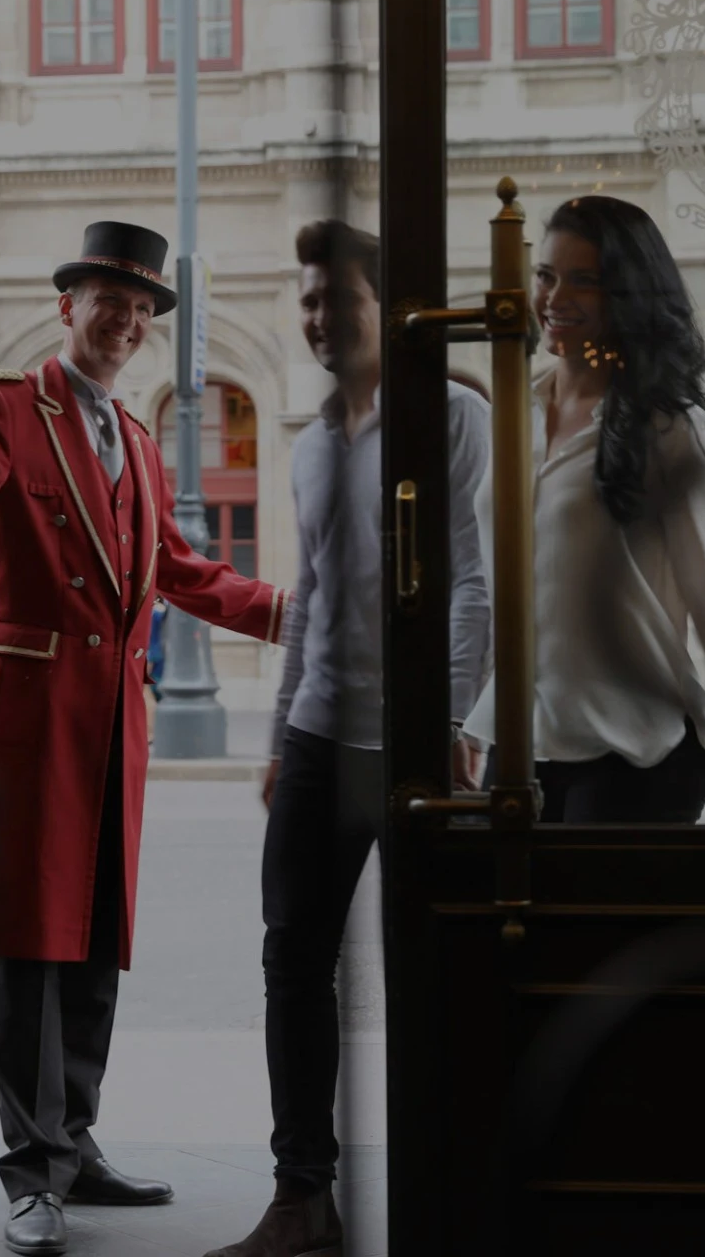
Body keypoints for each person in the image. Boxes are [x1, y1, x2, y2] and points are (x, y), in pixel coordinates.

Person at [0, 221, 290, 1257]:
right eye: (109, 303)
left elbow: (178, 567)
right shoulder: (3, 404)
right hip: (29, 716)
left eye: (140, 309)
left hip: (112, 722)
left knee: (92, 936)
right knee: (28, 943)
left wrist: (287, 614)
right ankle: (31, 1170)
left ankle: (74, 1144)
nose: (126, 322)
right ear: (67, 306)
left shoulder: (133, 434)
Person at [207, 221, 491, 1257]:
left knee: (429, 970)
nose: (321, 317)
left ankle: (444, 1185)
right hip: (320, 737)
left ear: (387, 303)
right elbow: (313, 598)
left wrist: (452, 717)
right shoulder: (314, 441)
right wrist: (283, 730)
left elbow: (473, 580)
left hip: (411, 742)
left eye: (341, 298)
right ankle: (303, 1197)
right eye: (310, 301)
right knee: (293, 964)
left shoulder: (453, 416)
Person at [462, 195, 705, 823]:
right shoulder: (511, 414)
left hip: (639, 751)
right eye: (546, 275)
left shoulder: (668, 427)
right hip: (520, 745)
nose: (554, 297)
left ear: (628, 296)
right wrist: (472, 715)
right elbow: (502, 589)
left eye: (584, 280)